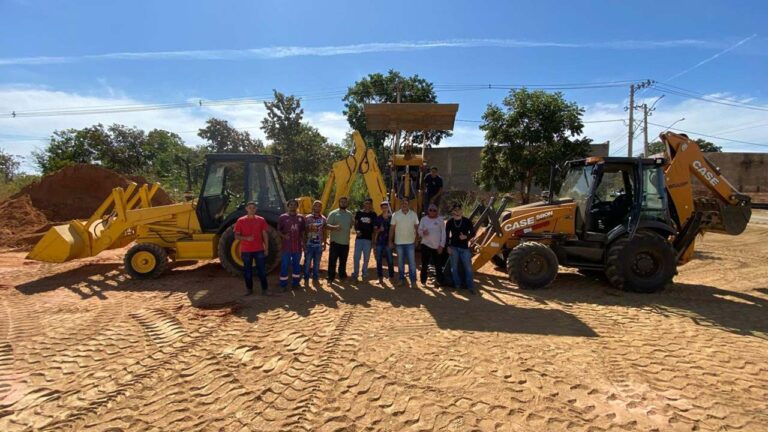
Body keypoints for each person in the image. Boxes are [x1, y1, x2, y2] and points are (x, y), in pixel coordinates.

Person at [233, 201, 271, 296]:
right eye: (250, 207)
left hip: (259, 249)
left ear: (256, 209)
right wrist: (246, 238)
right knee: (247, 271)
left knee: (262, 270)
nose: (252, 209)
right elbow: (236, 236)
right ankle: (249, 289)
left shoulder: (261, 220)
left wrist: (266, 248)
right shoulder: (240, 221)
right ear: (246, 209)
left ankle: (265, 289)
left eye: (253, 208)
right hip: (246, 251)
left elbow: (265, 235)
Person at [445, 202, 476, 294]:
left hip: (464, 248)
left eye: (459, 210)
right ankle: (457, 286)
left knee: (468, 268)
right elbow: (446, 236)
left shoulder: (467, 221)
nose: (457, 212)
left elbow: (473, 233)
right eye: (455, 210)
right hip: (453, 248)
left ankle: (470, 287)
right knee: (454, 268)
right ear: (452, 211)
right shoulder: (450, 222)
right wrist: (448, 247)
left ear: (461, 211)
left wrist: (466, 237)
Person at [389, 196, 419, 285]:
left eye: (406, 203)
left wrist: (417, 239)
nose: (404, 204)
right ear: (400, 204)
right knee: (400, 262)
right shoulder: (395, 215)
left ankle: (413, 281)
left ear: (408, 204)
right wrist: (390, 241)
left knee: (412, 263)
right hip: (399, 243)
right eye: (402, 203)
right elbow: (392, 229)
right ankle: (401, 279)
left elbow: (417, 228)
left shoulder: (414, 214)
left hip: (410, 243)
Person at [278, 198, 305, 290]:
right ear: (288, 206)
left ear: (297, 206)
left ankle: (296, 283)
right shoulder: (282, 217)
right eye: (291, 205)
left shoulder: (301, 218)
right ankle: (283, 285)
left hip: (297, 246)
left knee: (296, 265)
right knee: (285, 265)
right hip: (286, 246)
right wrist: (283, 235)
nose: (292, 206)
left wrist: (303, 244)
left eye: (294, 205)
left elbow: (303, 232)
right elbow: (279, 231)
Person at [326, 196, 354, 282]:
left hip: (345, 242)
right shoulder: (333, 213)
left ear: (347, 203)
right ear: (339, 203)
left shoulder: (349, 214)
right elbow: (326, 225)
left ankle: (342, 276)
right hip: (335, 242)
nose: (343, 203)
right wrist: (334, 227)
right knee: (332, 261)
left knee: (343, 261)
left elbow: (351, 225)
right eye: (342, 202)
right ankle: (331, 277)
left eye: (345, 202)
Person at [418, 203, 446, 285]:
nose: (432, 212)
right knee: (424, 264)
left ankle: (439, 282)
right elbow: (419, 231)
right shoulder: (423, 219)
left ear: (437, 211)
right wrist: (423, 233)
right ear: (428, 211)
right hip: (425, 245)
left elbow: (443, 234)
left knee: (438, 265)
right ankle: (423, 281)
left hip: (437, 246)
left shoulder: (441, 220)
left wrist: (442, 245)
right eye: (430, 210)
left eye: (434, 210)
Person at [351, 197, 377, 281]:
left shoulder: (373, 214)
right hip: (359, 239)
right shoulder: (359, 213)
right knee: (356, 257)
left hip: (368, 239)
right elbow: (355, 224)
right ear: (364, 204)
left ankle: (364, 273)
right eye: (366, 203)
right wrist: (357, 230)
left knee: (366, 258)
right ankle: (355, 274)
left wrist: (374, 240)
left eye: (369, 203)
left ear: (371, 205)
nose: (367, 205)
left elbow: (374, 228)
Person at [303, 200, 326, 283]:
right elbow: (303, 231)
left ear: (321, 208)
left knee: (317, 263)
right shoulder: (307, 218)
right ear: (313, 207)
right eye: (315, 205)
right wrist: (303, 243)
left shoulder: (323, 218)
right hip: (309, 244)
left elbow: (324, 231)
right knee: (307, 262)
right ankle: (306, 277)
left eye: (319, 206)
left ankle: (315, 278)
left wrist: (324, 243)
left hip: (319, 244)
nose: (317, 207)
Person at [373, 201, 394, 282]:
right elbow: (375, 231)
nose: (384, 209)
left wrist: (392, 242)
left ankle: (391, 276)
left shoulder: (392, 218)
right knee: (378, 260)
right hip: (379, 242)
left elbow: (395, 230)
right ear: (381, 208)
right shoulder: (378, 218)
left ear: (388, 208)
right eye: (383, 207)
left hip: (388, 242)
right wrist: (379, 230)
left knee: (390, 260)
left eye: (386, 207)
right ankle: (380, 277)